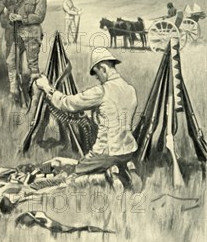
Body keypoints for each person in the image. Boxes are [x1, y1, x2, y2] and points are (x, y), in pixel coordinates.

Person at [35, 48, 138, 189]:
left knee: (72, 177)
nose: (97, 79)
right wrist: (92, 115)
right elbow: (114, 116)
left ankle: (105, 177)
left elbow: (67, 103)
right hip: (127, 151)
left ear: (103, 68)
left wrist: (47, 88)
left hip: (106, 153)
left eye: (97, 74)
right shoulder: (130, 90)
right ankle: (123, 168)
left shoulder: (102, 91)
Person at [6, 0, 47, 105]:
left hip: (32, 34)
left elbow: (39, 17)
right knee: (11, 62)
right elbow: (16, 12)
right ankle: (15, 92)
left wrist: (22, 19)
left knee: (33, 67)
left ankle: (35, 97)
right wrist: (12, 16)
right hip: (19, 33)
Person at [0, 0, 20, 64]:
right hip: (9, 24)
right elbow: (0, 7)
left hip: (19, 24)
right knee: (9, 45)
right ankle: (8, 68)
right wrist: (4, 21)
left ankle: (19, 70)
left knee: (20, 46)